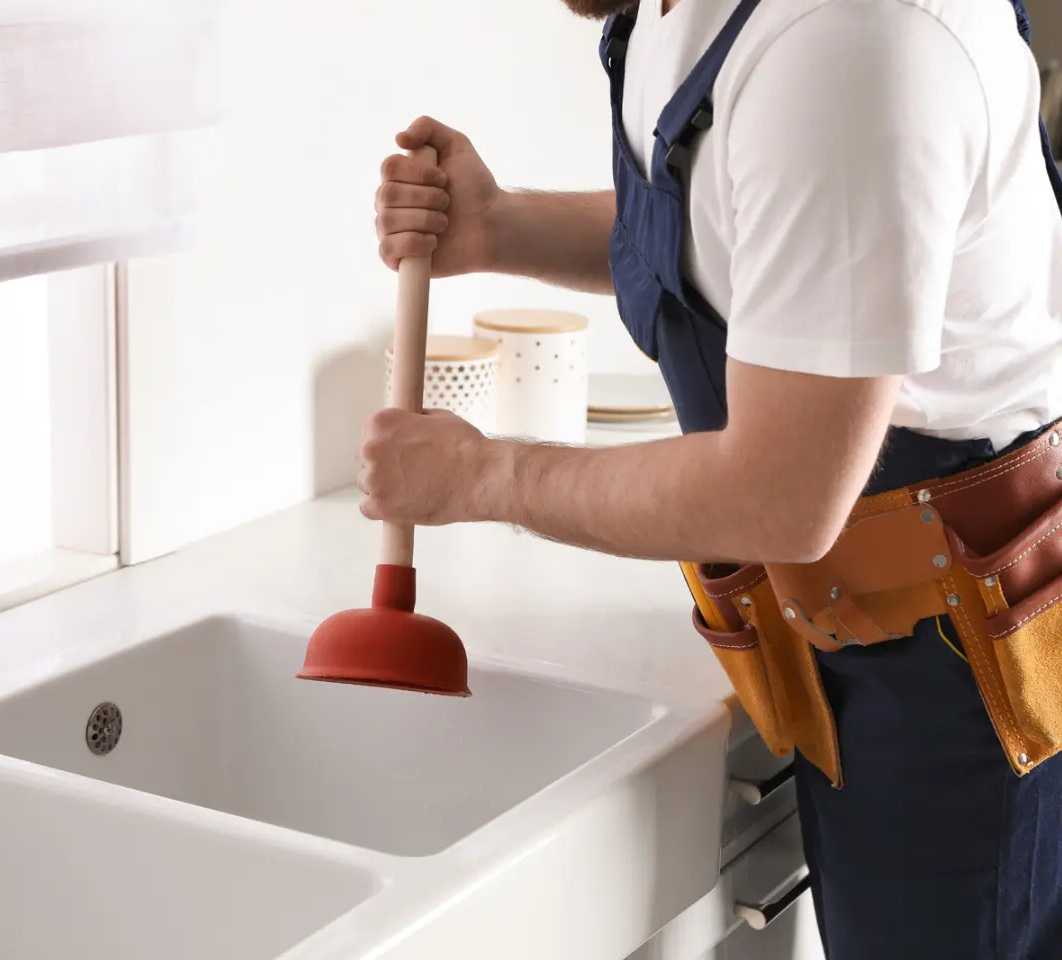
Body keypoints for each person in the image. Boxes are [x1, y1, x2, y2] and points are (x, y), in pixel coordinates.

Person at [361, 0, 1062, 957]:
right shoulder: (681, 15)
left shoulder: (854, 38)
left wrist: (481, 474)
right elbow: (754, 225)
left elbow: (782, 493)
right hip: (846, 638)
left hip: (971, 680)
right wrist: (500, 227)